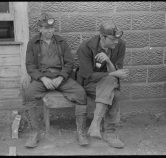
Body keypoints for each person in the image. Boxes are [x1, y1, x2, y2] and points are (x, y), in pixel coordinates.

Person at [23, 13, 89, 148]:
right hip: (43, 78)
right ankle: (34, 133)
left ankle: (81, 132)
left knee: (81, 94)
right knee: (28, 95)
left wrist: (61, 77)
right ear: (39, 29)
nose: (50, 31)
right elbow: (30, 65)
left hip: (61, 77)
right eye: (46, 28)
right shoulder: (33, 43)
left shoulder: (61, 41)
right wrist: (42, 78)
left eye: (52, 28)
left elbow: (70, 63)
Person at [76, 20, 129, 148]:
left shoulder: (120, 45)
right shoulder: (85, 47)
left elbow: (116, 69)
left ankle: (100, 128)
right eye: (112, 39)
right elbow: (88, 76)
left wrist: (109, 62)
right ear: (102, 37)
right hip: (89, 84)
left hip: (108, 84)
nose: (115, 42)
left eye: (117, 39)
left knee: (114, 91)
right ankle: (105, 130)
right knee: (113, 90)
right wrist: (113, 74)